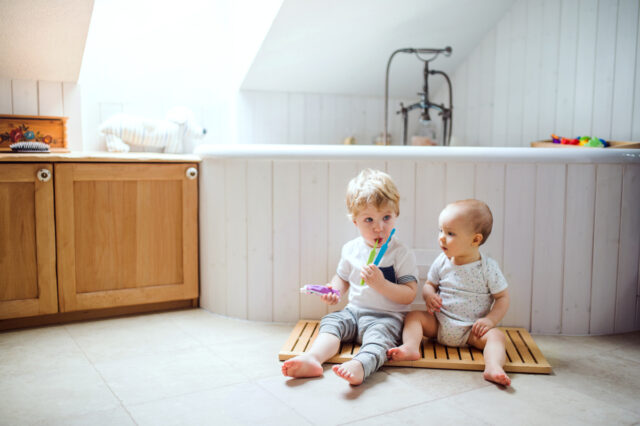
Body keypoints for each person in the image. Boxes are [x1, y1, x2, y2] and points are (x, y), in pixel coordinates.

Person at [281, 169, 419, 385]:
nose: (378, 227)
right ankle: (313, 358)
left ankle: (361, 365)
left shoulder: (401, 253)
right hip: (354, 313)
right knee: (332, 321)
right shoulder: (351, 249)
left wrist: (381, 284)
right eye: (369, 219)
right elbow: (342, 277)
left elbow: (409, 295)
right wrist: (334, 290)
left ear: (395, 214)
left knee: (379, 340)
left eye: (386, 217)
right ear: (355, 222)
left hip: (387, 318)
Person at [387, 199, 511, 386]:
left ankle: (493, 366)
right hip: (440, 324)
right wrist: (429, 296)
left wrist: (490, 320)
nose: (442, 238)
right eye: (441, 231)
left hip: (472, 331)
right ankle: (411, 347)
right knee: (413, 316)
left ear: (475, 240)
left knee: (497, 337)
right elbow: (429, 284)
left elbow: (502, 298)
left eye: (450, 233)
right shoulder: (442, 261)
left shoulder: (487, 268)